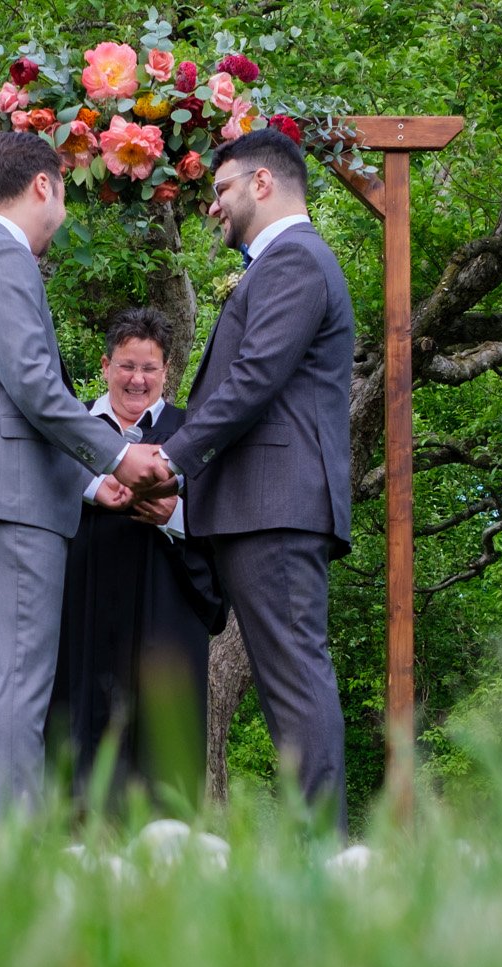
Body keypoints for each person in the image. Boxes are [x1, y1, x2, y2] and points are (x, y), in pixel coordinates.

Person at [0, 132, 173, 820]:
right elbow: (33, 385)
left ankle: (2, 847)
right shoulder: (3, 257)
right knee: (17, 685)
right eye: (64, 188)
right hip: (9, 502)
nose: (64, 204)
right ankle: (15, 859)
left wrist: (90, 484)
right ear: (43, 185)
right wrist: (117, 454)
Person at [149, 128, 356, 830]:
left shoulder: (295, 259)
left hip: (278, 505)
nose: (215, 206)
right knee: (284, 687)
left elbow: (251, 381)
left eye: (222, 189)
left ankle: (321, 855)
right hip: (259, 505)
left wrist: (170, 459)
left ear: (262, 183)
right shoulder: (280, 264)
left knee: (295, 682)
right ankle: (314, 849)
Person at [48, 309, 225, 808]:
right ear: (105, 365)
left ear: (166, 371)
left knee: (162, 744)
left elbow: (223, 522)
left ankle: (164, 856)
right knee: (75, 733)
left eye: (150, 368)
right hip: (79, 610)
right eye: (127, 366)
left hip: (164, 613)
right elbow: (35, 496)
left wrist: (174, 513)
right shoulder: (70, 428)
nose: (138, 380)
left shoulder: (191, 435)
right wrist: (87, 486)